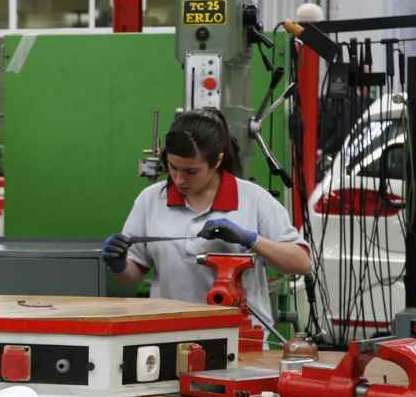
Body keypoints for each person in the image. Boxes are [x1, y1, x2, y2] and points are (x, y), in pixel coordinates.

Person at [102, 108, 311, 331]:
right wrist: (120, 263)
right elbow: (131, 276)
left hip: (239, 338)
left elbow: (302, 263)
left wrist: (252, 240)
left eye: (191, 171)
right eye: (173, 167)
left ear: (217, 160)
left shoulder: (253, 199)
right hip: (169, 334)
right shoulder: (151, 199)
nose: (179, 179)